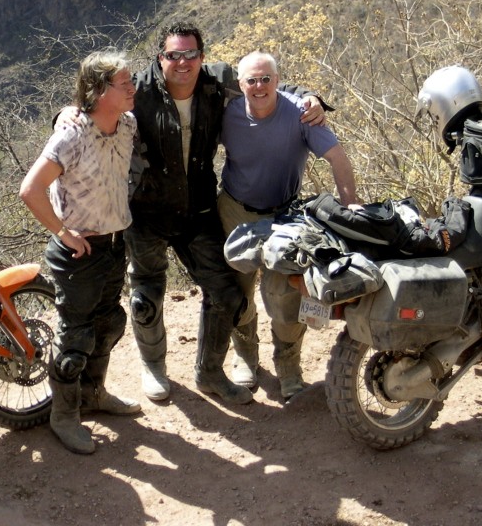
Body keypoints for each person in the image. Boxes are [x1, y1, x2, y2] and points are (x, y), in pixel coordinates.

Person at [124, 22, 326, 405]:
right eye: (173, 55)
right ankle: (153, 366)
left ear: (202, 57)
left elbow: (266, 87)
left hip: (198, 208)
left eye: (191, 54)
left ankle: (210, 372)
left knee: (226, 292)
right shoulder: (137, 91)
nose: (183, 62)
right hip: (147, 210)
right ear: (160, 58)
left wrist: (309, 97)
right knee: (145, 296)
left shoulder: (217, 82)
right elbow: (93, 107)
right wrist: (65, 114)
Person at [20, 50, 142, 454]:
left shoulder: (127, 124)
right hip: (79, 252)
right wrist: (63, 232)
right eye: (124, 83)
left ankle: (94, 395)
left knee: (108, 323)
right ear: (99, 90)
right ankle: (64, 416)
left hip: (114, 243)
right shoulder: (71, 135)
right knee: (75, 339)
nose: (132, 88)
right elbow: (30, 190)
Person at [218, 50, 358, 400]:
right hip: (235, 211)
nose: (259, 86)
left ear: (278, 81)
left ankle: (288, 365)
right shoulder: (227, 114)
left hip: (284, 216)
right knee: (236, 291)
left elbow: (338, 158)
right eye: (252, 80)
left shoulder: (301, 113)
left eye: (266, 79)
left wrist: (351, 205)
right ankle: (245, 356)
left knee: (284, 295)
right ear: (240, 84)